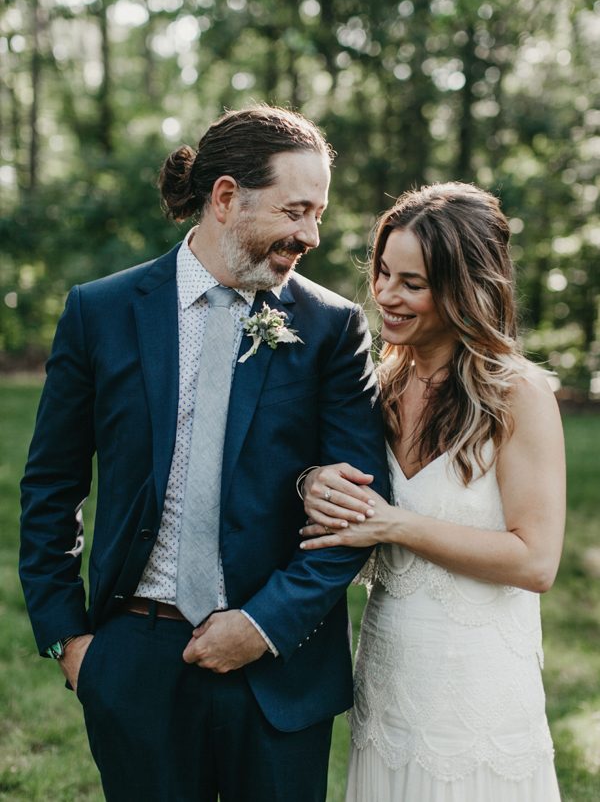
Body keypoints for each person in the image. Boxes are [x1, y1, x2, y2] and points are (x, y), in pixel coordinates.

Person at [19, 105, 390, 802]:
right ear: (225, 198)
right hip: (136, 660)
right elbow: (50, 486)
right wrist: (72, 643)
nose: (311, 234)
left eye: (318, 214)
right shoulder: (101, 312)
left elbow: (360, 510)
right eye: (296, 211)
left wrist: (262, 624)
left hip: (278, 669)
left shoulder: (332, 328)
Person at [299, 182, 565, 801]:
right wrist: (314, 484)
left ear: (464, 289)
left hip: (479, 689)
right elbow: (346, 509)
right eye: (383, 273)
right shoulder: (377, 388)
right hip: (391, 673)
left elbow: (536, 561)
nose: (386, 295)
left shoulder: (516, 396)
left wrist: (394, 525)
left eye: (411, 283)